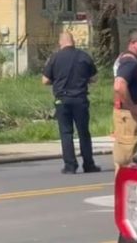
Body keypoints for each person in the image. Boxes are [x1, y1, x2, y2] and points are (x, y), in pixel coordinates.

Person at [42, 32, 101, 174]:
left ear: (60, 42)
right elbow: (94, 78)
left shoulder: (55, 58)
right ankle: (89, 164)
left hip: (62, 100)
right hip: (80, 99)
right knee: (83, 133)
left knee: (66, 133)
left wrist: (57, 81)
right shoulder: (84, 56)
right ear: (73, 41)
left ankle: (70, 166)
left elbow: (45, 80)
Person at [113, 28, 137, 171]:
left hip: (130, 120)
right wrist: (132, 107)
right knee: (129, 162)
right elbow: (119, 85)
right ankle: (127, 192)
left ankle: (131, 191)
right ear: (134, 43)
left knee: (133, 162)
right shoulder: (130, 63)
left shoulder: (128, 59)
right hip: (129, 120)